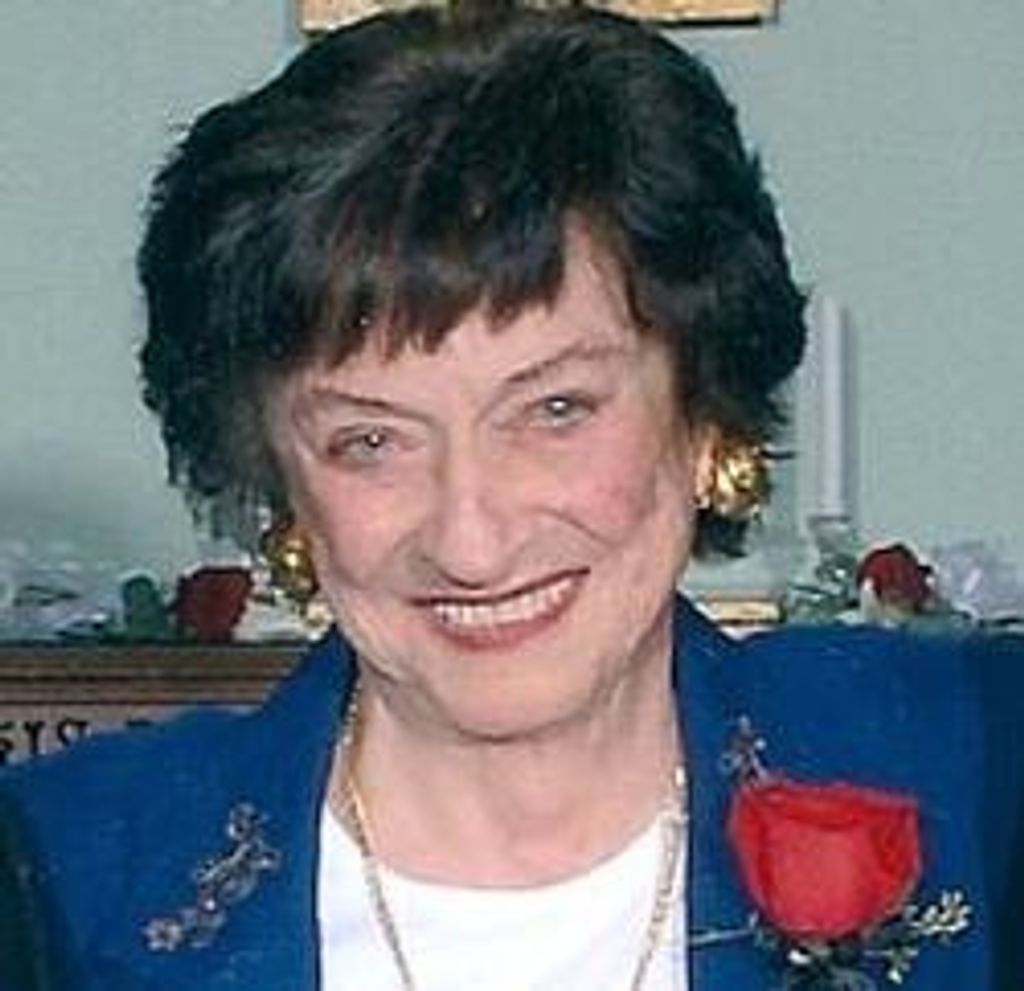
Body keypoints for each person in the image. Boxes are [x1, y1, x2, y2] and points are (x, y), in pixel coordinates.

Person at [1, 4, 1020, 989]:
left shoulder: (974, 770)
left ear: (704, 412)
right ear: (279, 483)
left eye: (554, 409)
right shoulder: (65, 879)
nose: (472, 540)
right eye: (370, 441)